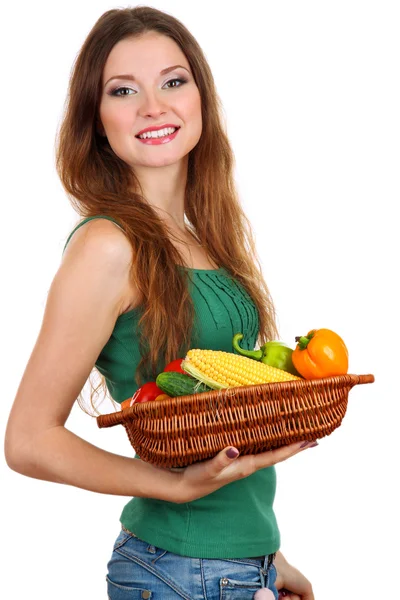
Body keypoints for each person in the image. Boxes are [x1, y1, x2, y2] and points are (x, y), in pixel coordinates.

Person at [4, 6, 315, 600]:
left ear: (201, 95)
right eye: (124, 91)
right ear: (96, 121)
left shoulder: (202, 238)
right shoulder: (107, 245)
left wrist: (268, 555)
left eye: (173, 81)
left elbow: (224, 429)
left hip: (234, 565)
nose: (154, 106)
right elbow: (28, 438)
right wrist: (168, 487)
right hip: (180, 571)